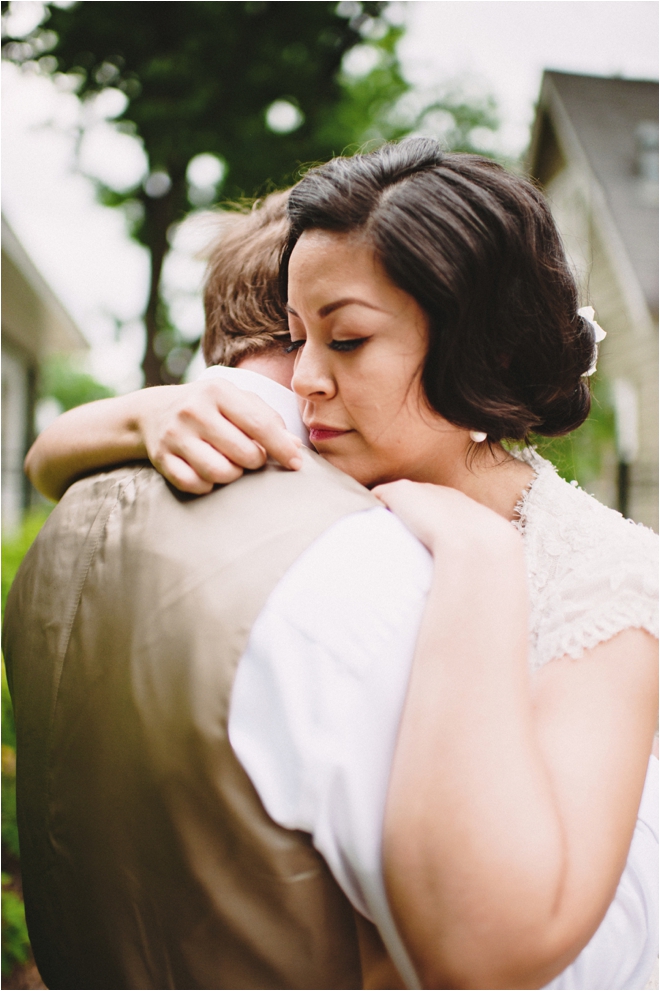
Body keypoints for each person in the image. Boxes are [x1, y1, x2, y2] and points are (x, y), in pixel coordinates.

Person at [16, 143, 658, 989]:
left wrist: (477, 555)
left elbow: (507, 945)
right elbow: (49, 459)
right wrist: (153, 412)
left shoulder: (608, 575)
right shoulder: (324, 467)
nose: (305, 380)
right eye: (296, 335)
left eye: (346, 339)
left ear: (486, 352)